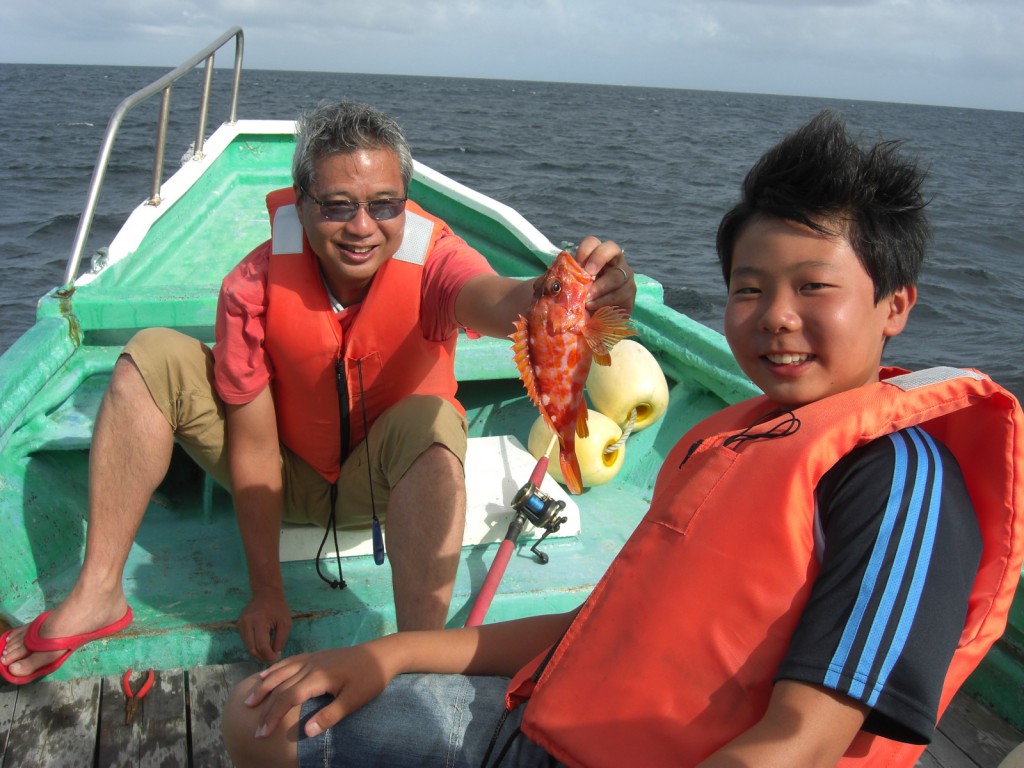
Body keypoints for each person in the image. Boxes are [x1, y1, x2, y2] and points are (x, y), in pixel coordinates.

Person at [219, 110, 1024, 767]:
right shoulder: (730, 438)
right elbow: (608, 625)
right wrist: (395, 655)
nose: (776, 316)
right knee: (260, 721)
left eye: (815, 287)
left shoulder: (898, 480)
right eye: (749, 288)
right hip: (540, 717)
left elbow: (801, 745)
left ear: (896, 307)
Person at [0, 101, 637, 683]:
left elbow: (496, 298)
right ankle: (98, 592)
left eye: (385, 204)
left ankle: (419, 657)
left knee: (435, 420)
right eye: (337, 206)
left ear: (404, 202)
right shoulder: (252, 284)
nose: (363, 226)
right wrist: (267, 589)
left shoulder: (433, 258)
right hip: (282, 474)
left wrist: (563, 294)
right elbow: (251, 448)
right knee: (150, 357)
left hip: (383, 486)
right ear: (301, 204)